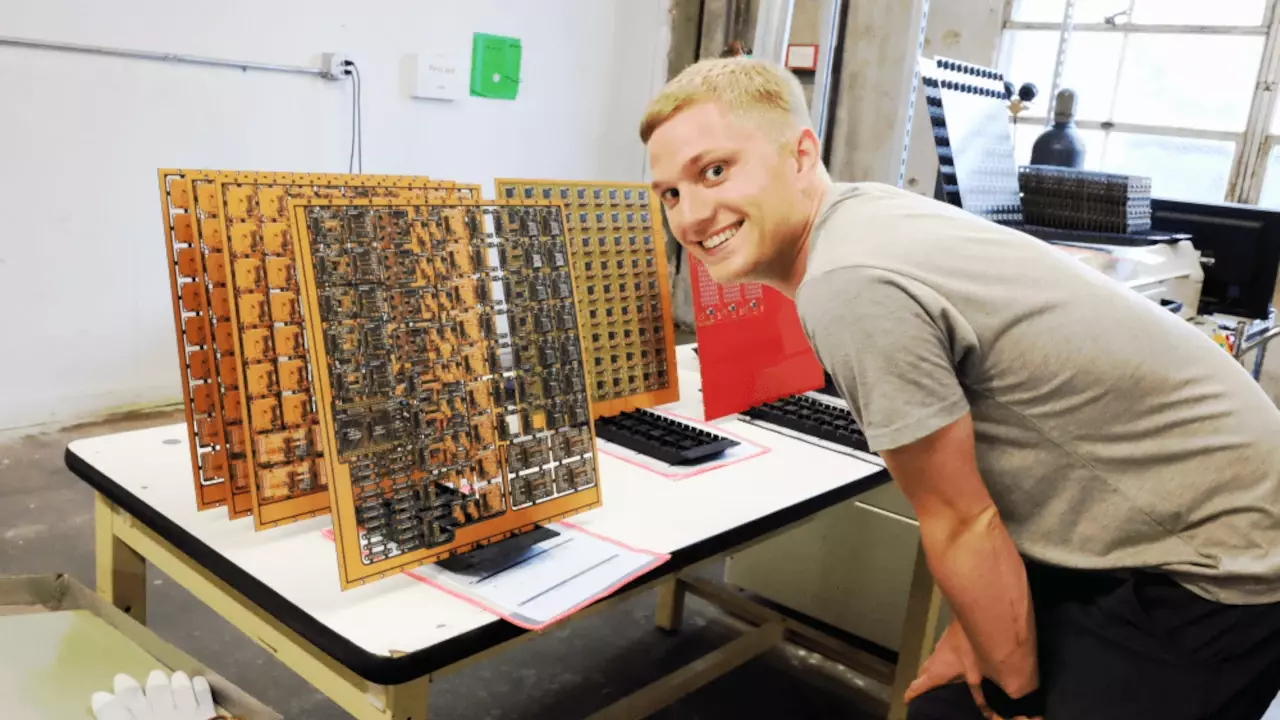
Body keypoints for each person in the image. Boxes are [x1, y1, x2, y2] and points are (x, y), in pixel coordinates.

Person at [639, 56, 1280, 719]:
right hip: (1180, 508)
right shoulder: (864, 211)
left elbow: (961, 518)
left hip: (1225, 561)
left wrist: (1017, 701)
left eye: (714, 171)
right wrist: (976, 628)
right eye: (670, 194)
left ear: (801, 154)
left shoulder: (847, 283)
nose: (691, 216)